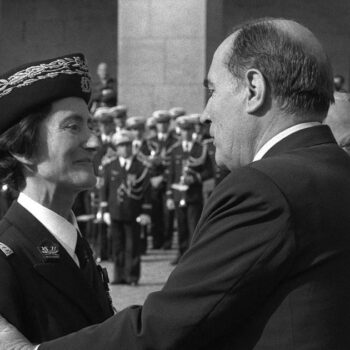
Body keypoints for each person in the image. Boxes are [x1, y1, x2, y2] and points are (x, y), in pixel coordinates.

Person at [3, 17, 350, 350]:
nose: (205, 113)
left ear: (255, 89)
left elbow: (165, 328)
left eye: (212, 91)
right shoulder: (335, 170)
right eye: (72, 126)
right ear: (22, 148)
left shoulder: (264, 189)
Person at [0, 54, 115, 344]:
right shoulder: (5, 259)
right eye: (73, 126)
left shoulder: (73, 242)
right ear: (22, 147)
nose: (94, 142)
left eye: (90, 125)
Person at [102, 130, 151, 285]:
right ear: (116, 148)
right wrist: (104, 211)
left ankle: (132, 276)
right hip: (115, 212)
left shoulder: (140, 167)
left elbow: (146, 191)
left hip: (133, 213)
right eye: (121, 145)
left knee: (132, 246)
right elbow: (105, 189)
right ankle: (119, 275)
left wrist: (145, 212)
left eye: (128, 145)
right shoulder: (110, 166)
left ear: (132, 146)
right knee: (117, 246)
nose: (125, 148)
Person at [166, 115, 213, 265]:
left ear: (193, 130)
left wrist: (195, 178)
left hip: (193, 194)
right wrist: (169, 196)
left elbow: (209, 171)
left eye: (188, 130)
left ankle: (192, 256)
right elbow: (171, 174)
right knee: (181, 227)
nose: (185, 133)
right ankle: (181, 253)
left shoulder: (200, 148)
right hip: (178, 193)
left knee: (193, 226)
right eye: (183, 130)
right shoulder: (175, 150)